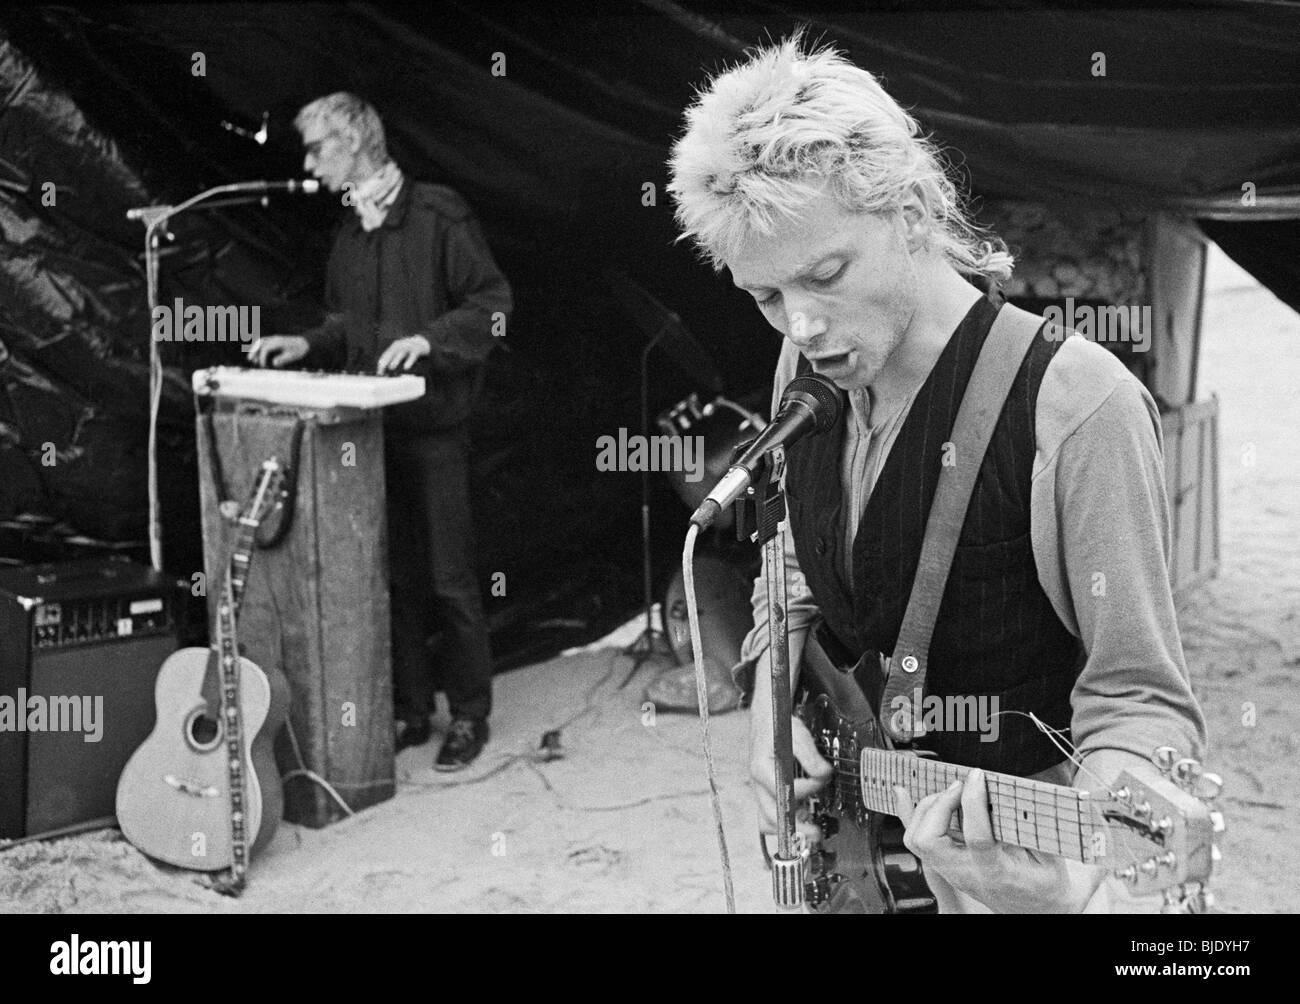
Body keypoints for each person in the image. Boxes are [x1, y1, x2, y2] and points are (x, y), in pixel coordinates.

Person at [667, 36, 1207, 912]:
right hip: (868, 857)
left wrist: (1055, 890)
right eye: (765, 296)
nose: (800, 324)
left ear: (912, 212)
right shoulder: (801, 362)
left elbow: (1138, 696)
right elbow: (793, 570)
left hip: (1035, 861)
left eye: (826, 274)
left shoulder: (1079, 405)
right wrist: (770, 713)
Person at [248, 93, 511, 770]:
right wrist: (305, 344)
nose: (308, 163)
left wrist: (428, 340)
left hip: (436, 430)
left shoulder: (438, 215)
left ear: (358, 144)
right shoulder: (351, 233)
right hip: (370, 434)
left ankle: (470, 714)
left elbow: (491, 307)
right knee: (389, 576)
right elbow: (349, 324)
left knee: (450, 578)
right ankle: (412, 710)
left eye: (317, 149)